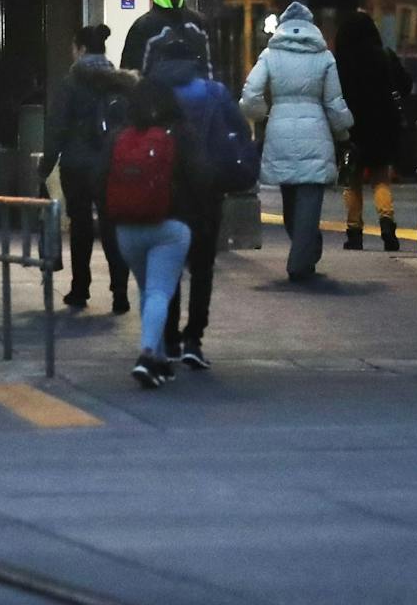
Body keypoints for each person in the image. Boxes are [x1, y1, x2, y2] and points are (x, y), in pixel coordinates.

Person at [150, 38, 259, 371]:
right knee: (202, 268)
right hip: (206, 190)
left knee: (167, 267)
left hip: (162, 193)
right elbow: (240, 132)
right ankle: (193, 339)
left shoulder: (150, 91)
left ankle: (167, 339)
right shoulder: (214, 92)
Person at [101, 78, 207, 389]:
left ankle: (159, 361)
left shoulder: (120, 137)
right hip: (170, 227)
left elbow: (100, 178)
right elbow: (201, 178)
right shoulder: (181, 134)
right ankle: (147, 354)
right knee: (160, 291)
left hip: (127, 228)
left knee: (147, 290)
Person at [240, 2, 354, 282]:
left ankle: (306, 249)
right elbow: (333, 102)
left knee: (289, 198)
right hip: (316, 132)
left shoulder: (270, 54)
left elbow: (251, 93)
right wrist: (343, 133)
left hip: (279, 127)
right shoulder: (324, 56)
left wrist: (261, 115)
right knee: (309, 199)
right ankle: (300, 262)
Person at [40, 24, 133, 313]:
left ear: (80, 49)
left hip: (76, 165)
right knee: (112, 226)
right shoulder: (121, 83)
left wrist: (46, 164)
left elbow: (56, 127)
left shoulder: (70, 84)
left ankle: (80, 289)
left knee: (80, 226)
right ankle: (120, 294)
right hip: (112, 164)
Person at [334, 10, 410, 252]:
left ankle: (354, 232)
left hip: (352, 127)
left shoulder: (340, 62)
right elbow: (405, 85)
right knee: (380, 179)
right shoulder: (385, 57)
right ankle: (387, 225)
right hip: (382, 127)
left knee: (352, 181)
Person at [120, 0, 212, 79]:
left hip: (194, 94)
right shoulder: (143, 27)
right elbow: (131, 72)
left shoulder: (198, 22)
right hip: (155, 95)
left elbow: (211, 64)